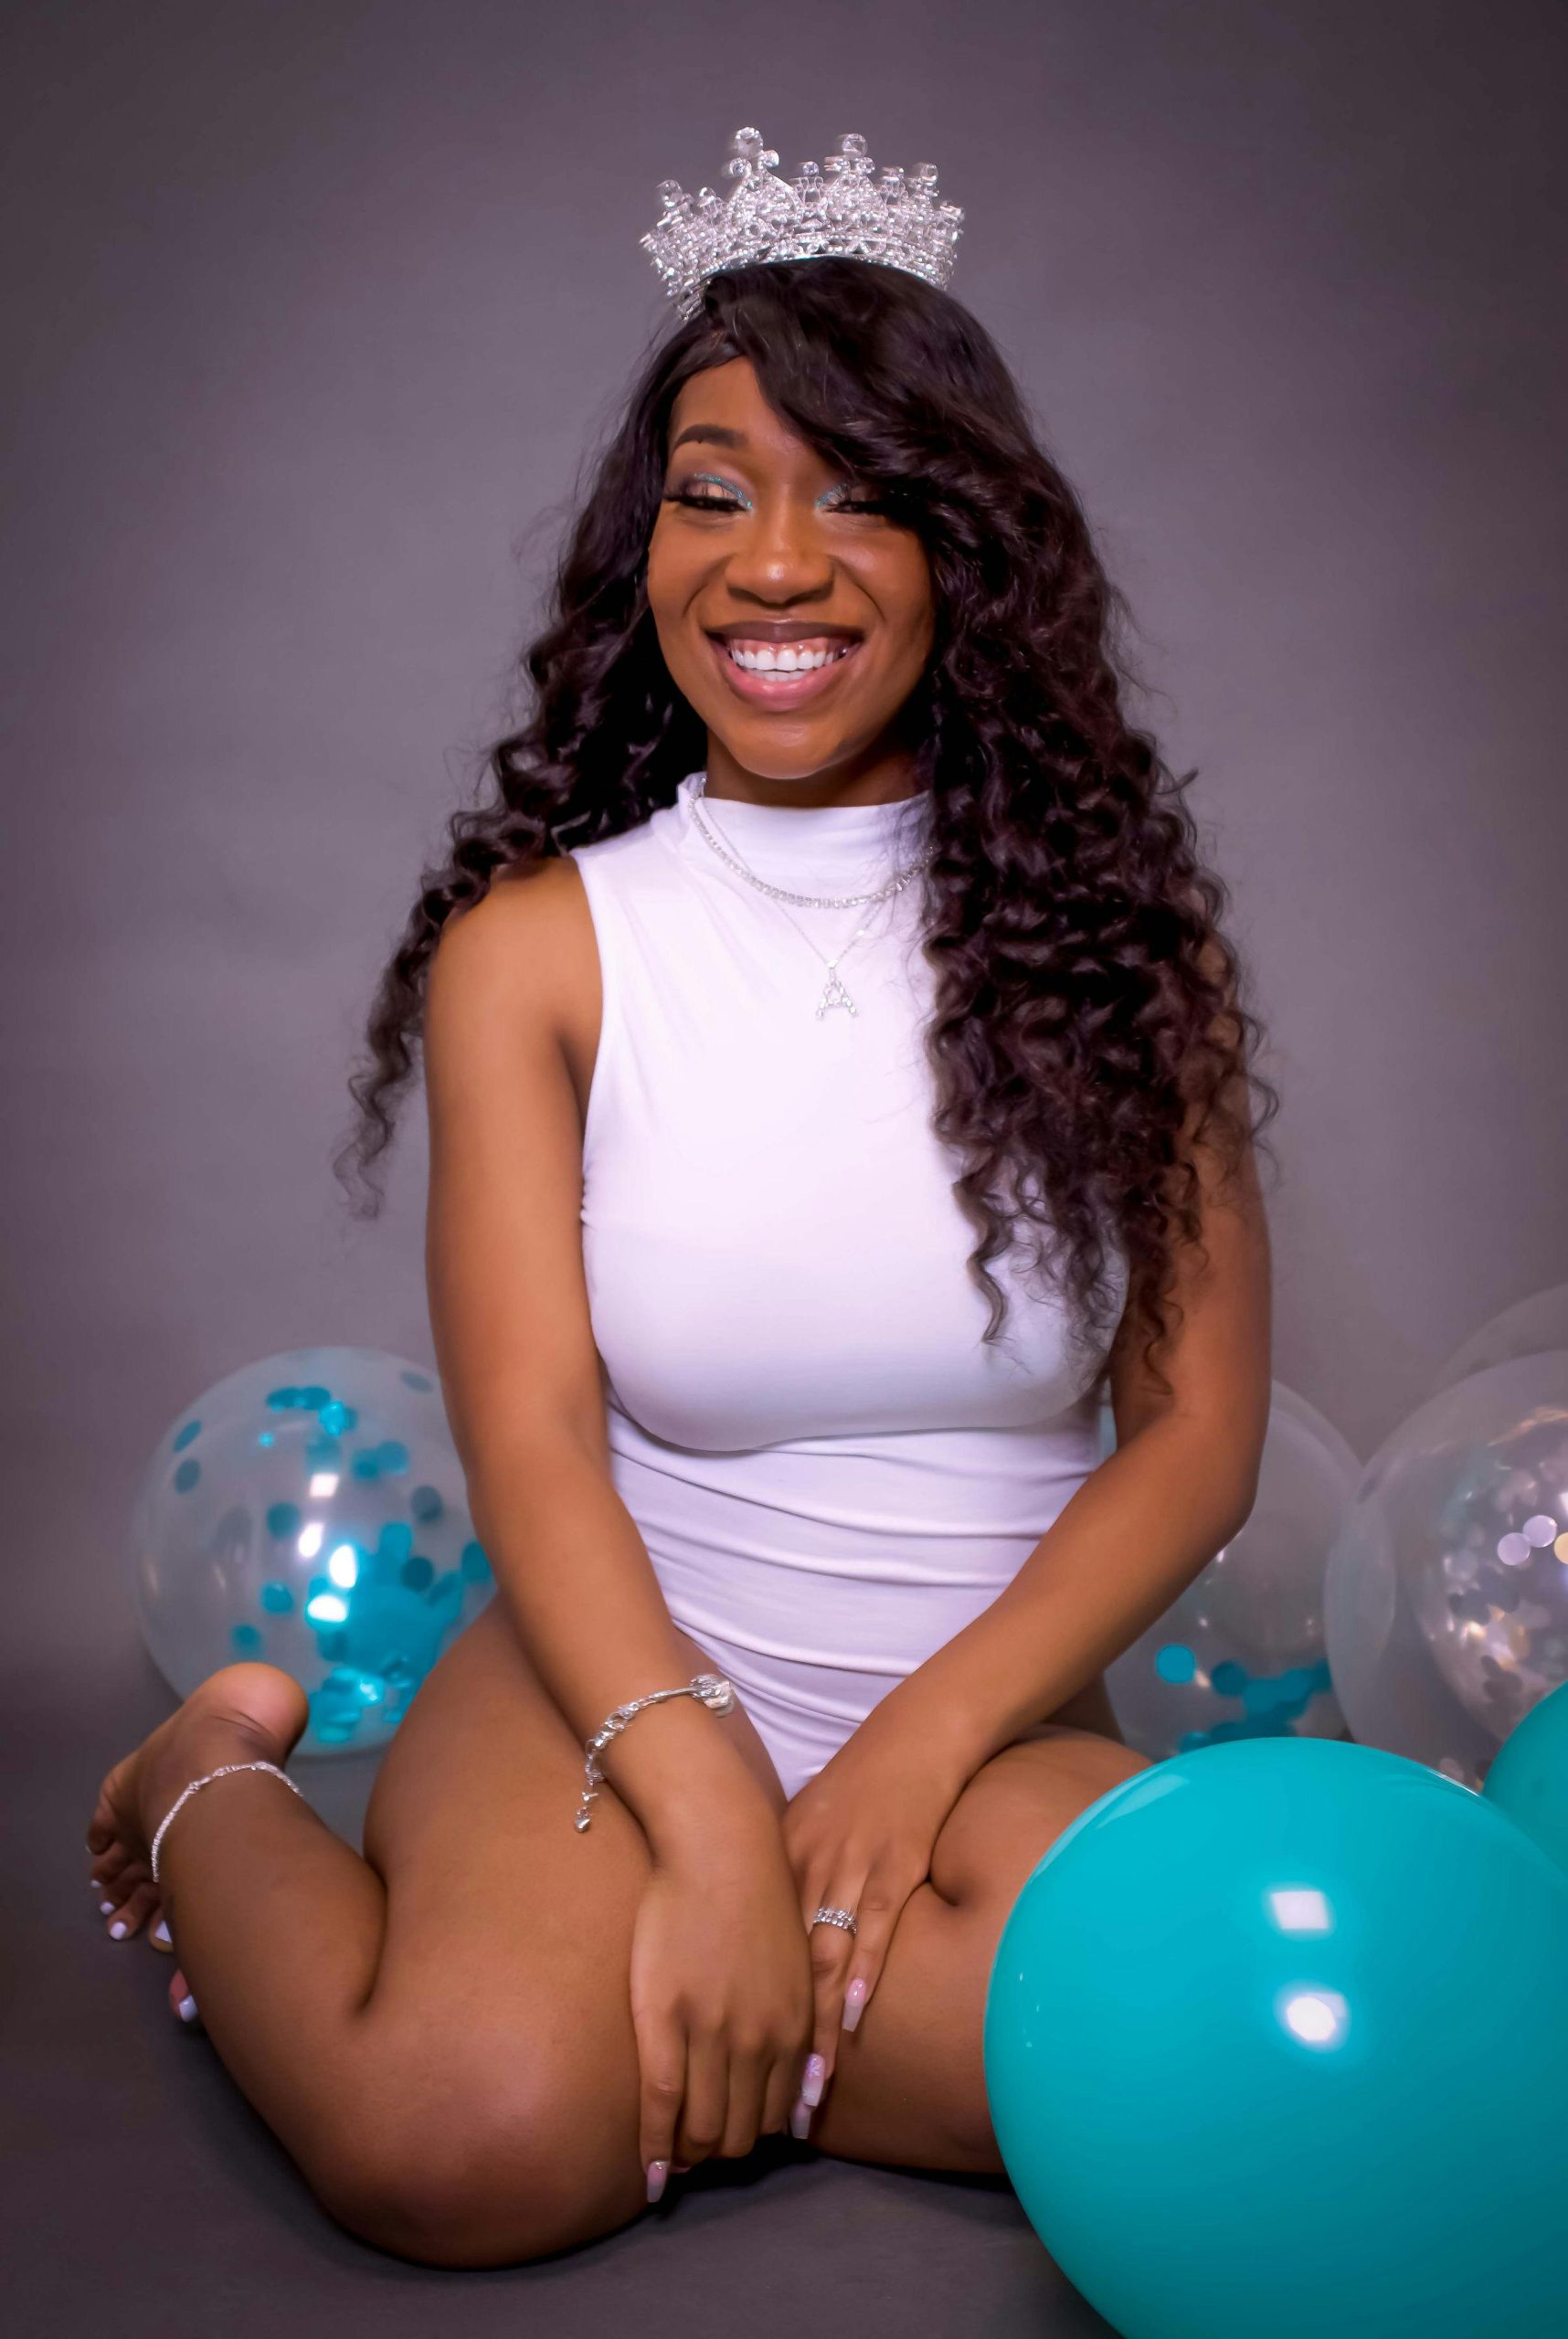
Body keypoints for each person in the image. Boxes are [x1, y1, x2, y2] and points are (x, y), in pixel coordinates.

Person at [85, 129, 1276, 2270]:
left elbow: (1197, 1439)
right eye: (714, 492)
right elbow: (535, 1434)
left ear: (967, 549)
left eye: (858, 491)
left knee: (1200, 2063)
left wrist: (912, 1750)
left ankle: (692, 2009)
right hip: (615, 1668)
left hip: (978, 1707)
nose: (776, 564)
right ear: (647, 546)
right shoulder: (537, 952)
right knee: (461, 2137)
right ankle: (202, 1783)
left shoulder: (1122, 952)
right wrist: (711, 1815)